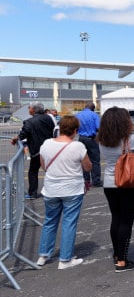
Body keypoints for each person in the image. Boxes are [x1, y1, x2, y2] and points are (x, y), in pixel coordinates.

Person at [97, 107, 134, 272]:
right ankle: (122, 261)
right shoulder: (130, 140)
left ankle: (116, 254)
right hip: (128, 183)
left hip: (110, 183)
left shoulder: (102, 140)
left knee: (116, 218)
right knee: (127, 222)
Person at [37, 115, 92, 269]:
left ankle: (43, 255)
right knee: (69, 223)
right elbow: (88, 167)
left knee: (49, 221)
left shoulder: (47, 144)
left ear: (59, 128)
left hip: (51, 188)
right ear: (75, 131)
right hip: (72, 189)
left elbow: (44, 166)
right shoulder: (78, 146)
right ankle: (65, 259)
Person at [11, 101, 56, 199]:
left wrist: (16, 138)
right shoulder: (48, 118)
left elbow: (23, 134)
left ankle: (32, 193)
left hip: (37, 151)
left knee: (33, 171)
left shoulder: (29, 122)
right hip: (50, 148)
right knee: (50, 170)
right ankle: (52, 191)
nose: (28, 109)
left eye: (29, 108)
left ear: (33, 109)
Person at [76, 102, 103, 187]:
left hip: (81, 138)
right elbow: (98, 127)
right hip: (91, 138)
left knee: (83, 159)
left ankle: (86, 180)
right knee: (95, 160)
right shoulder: (94, 115)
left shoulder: (77, 115)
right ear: (93, 108)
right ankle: (96, 181)